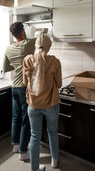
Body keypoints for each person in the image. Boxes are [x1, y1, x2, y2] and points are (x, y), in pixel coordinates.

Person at [3, 22, 47, 161]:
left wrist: (17, 65)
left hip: (14, 87)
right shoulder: (27, 44)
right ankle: (23, 151)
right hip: (24, 87)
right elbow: (42, 39)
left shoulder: (9, 48)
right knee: (26, 119)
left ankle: (15, 145)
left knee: (16, 117)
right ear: (22, 32)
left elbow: (5, 67)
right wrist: (45, 29)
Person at [23, 34, 62, 171]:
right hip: (51, 104)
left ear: (35, 46)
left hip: (33, 105)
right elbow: (59, 83)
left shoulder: (27, 60)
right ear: (49, 47)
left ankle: (34, 168)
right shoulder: (55, 61)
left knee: (34, 136)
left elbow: (25, 82)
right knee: (52, 132)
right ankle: (54, 161)